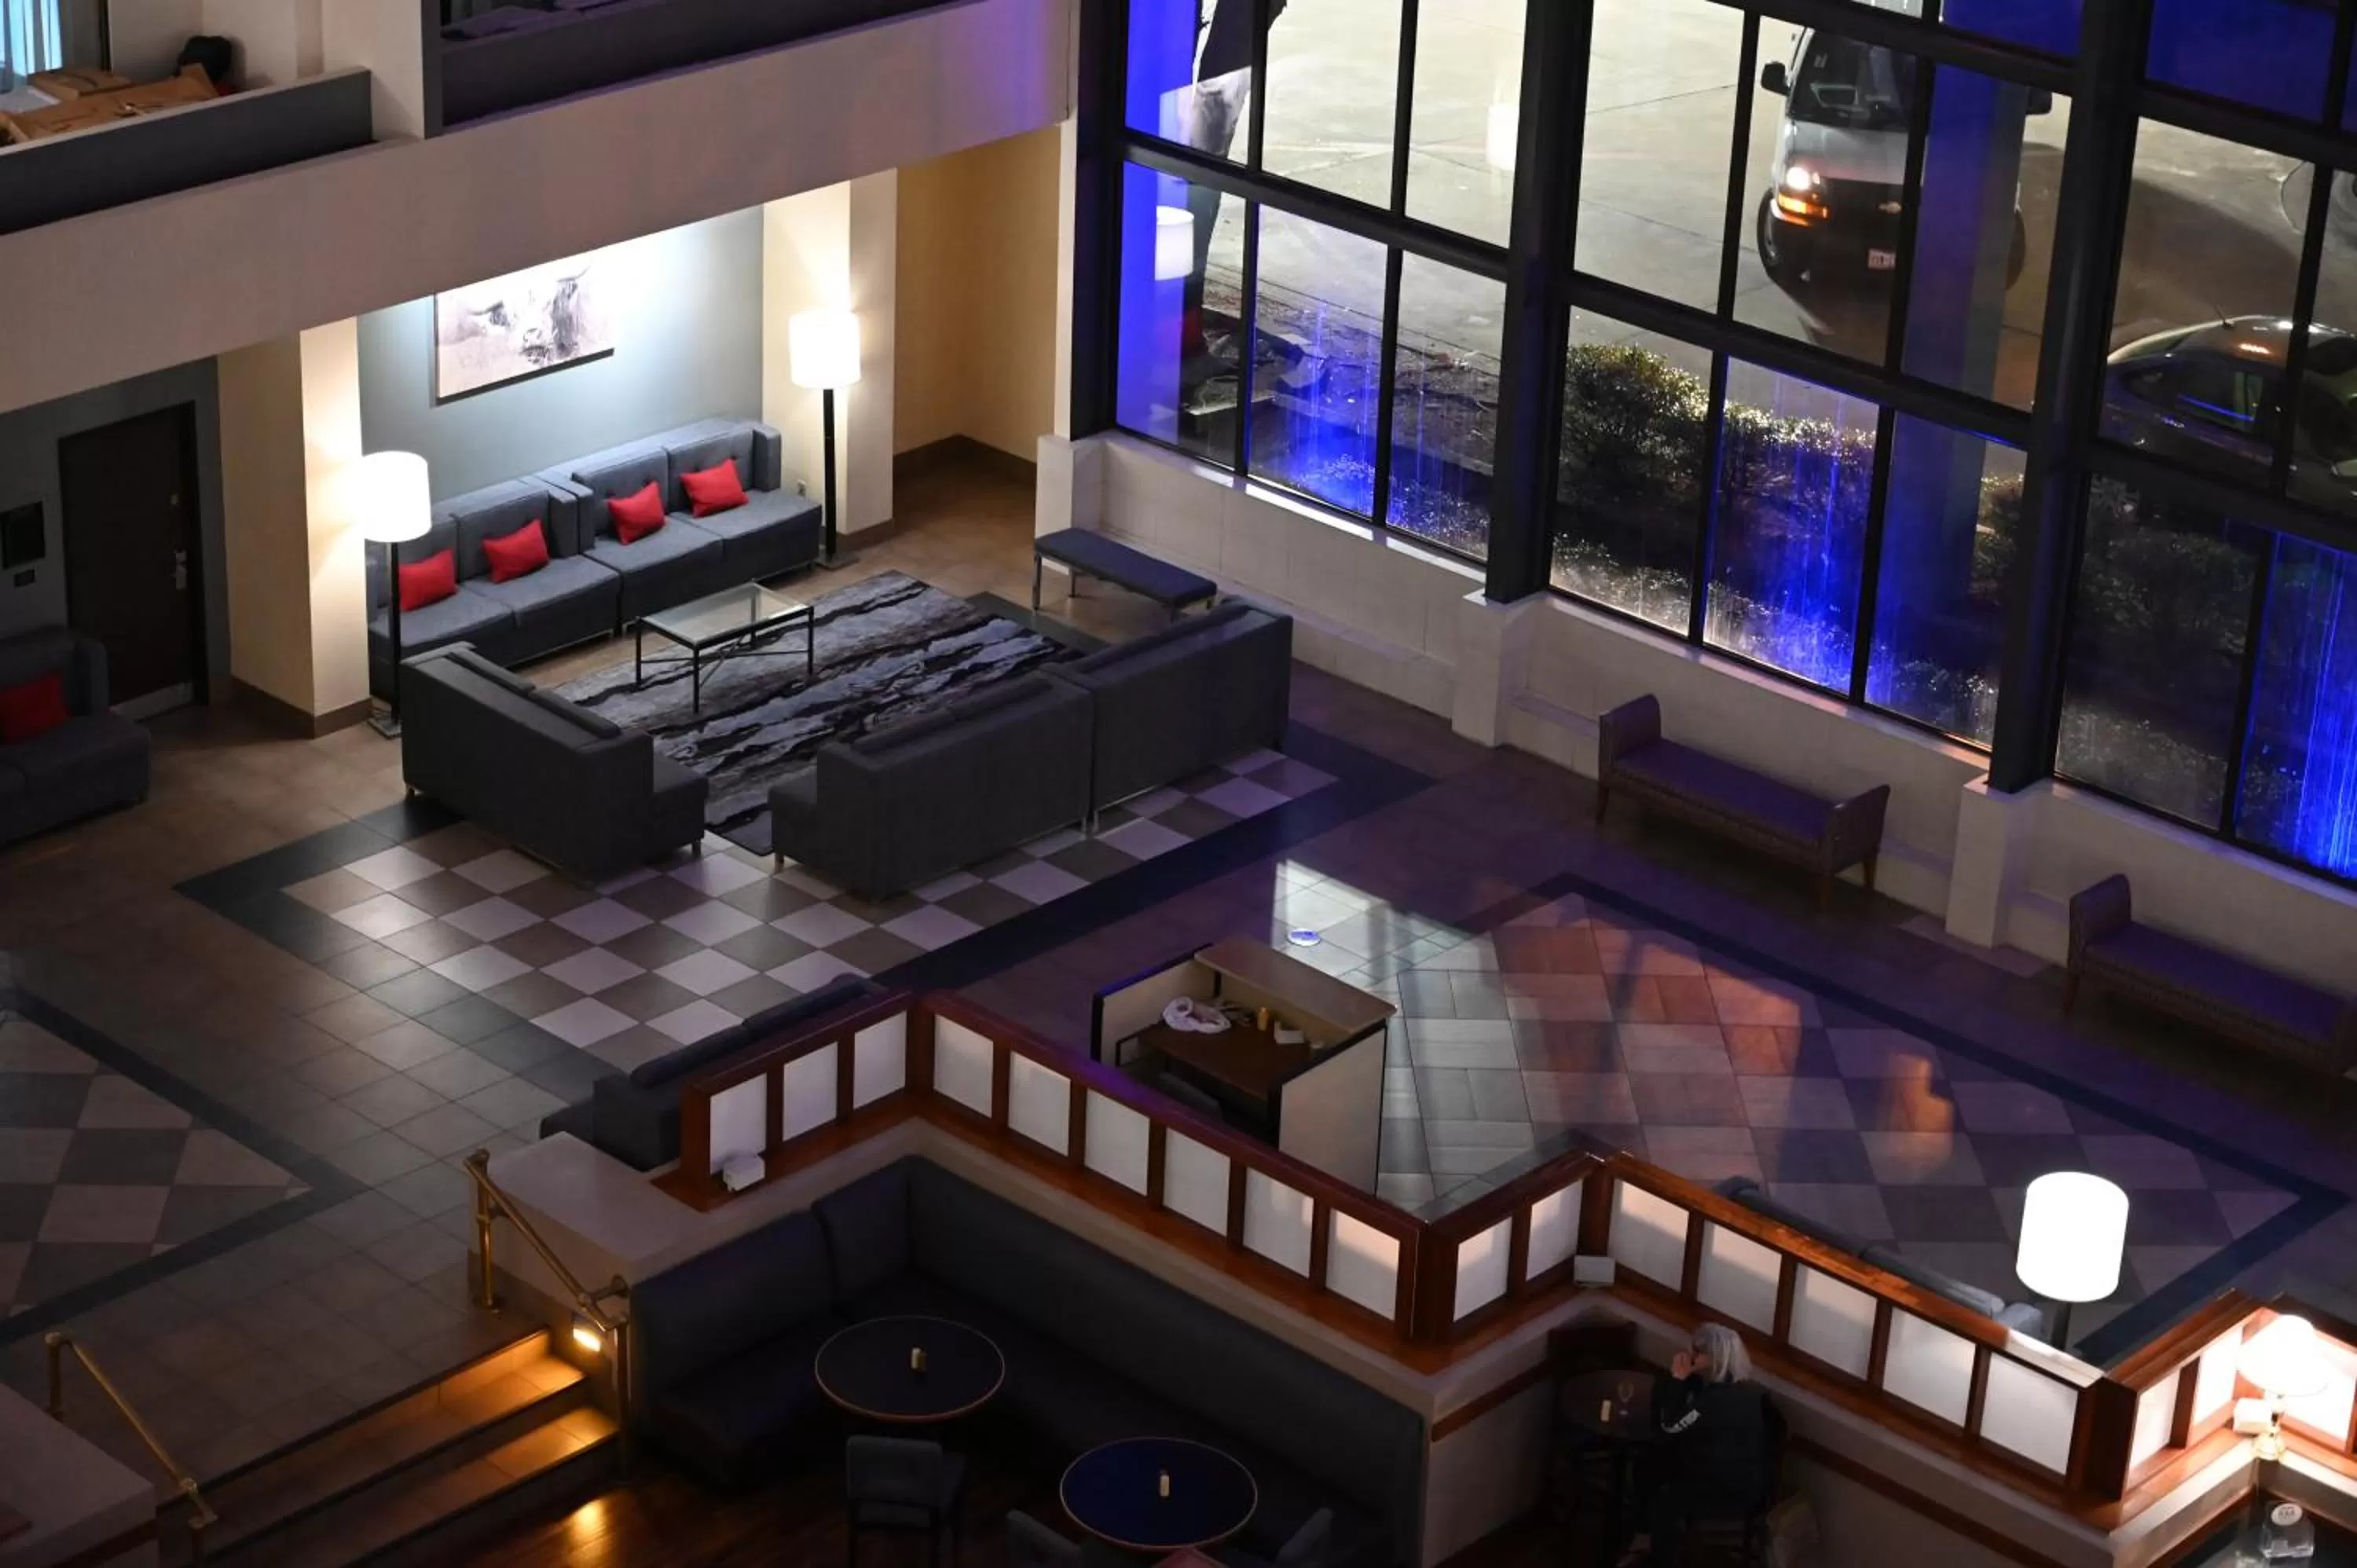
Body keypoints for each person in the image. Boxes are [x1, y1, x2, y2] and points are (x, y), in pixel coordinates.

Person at [1618, 1324, 1775, 1567]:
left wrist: (1677, 1379)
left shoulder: (1714, 1400)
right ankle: (1644, 1537)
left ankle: (1661, 1559)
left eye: (1698, 1352)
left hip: (1728, 1485)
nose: (1691, 1355)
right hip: (1727, 1469)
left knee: (1664, 1506)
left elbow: (1670, 1425)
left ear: (1715, 1357)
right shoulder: (1744, 1389)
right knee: (1648, 1465)